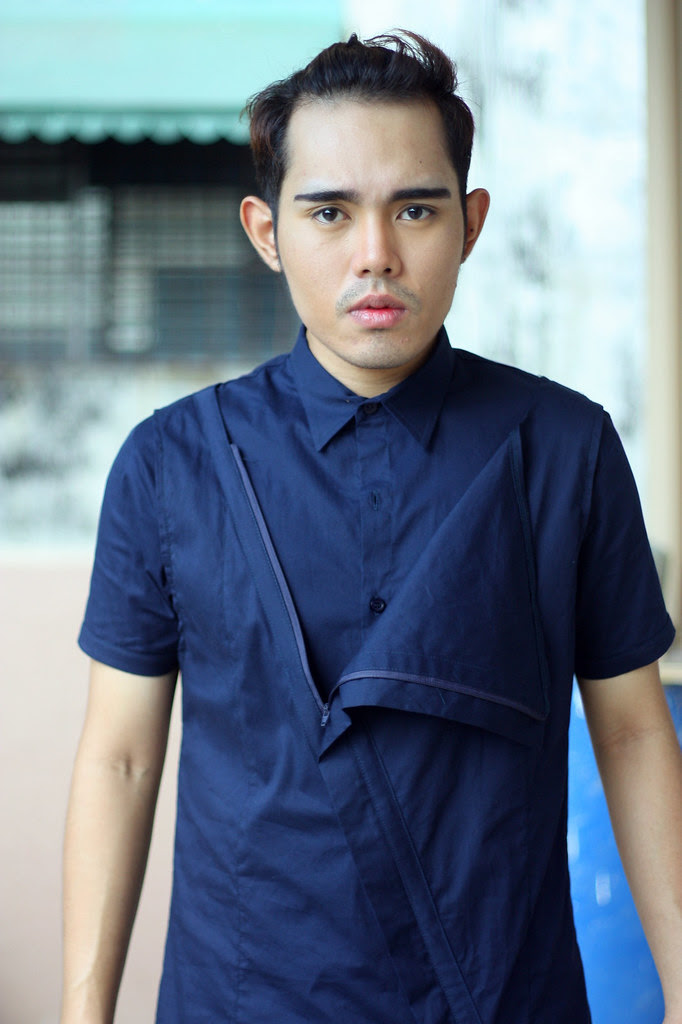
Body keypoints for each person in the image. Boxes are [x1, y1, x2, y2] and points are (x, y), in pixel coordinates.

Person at [61, 31, 682, 1024]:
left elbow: (635, 730)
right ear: (266, 231)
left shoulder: (566, 448)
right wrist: (82, 1011)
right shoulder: (170, 462)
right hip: (243, 998)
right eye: (329, 212)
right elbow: (121, 759)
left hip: (500, 994)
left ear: (470, 224)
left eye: (416, 209)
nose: (376, 254)